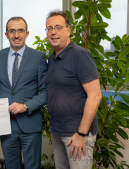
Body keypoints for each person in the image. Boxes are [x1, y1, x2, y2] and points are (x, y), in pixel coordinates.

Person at [0, 16, 47, 169]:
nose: (16, 35)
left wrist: (26, 106)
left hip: (30, 125)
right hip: (5, 125)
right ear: (6, 34)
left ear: (27, 33)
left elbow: (45, 92)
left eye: (20, 30)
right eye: (12, 31)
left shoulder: (38, 57)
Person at [44, 10, 102, 169]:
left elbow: (95, 96)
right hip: (58, 132)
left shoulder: (80, 55)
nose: (53, 32)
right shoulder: (52, 58)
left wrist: (82, 134)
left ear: (68, 30)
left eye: (58, 27)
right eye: (49, 28)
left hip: (77, 134)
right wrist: (54, 128)